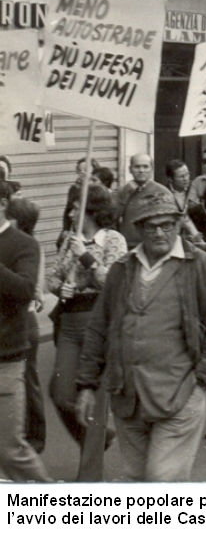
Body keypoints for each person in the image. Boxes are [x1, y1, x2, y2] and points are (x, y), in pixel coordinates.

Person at [74, 189, 206, 481]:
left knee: (162, 481)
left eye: (167, 225)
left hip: (179, 397)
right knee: (136, 480)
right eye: (151, 226)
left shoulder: (204, 268)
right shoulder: (122, 270)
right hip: (128, 398)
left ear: (179, 223)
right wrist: (86, 384)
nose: (160, 232)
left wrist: (203, 381)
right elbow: (99, 327)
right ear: (139, 228)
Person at [47, 185, 127, 458]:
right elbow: (52, 279)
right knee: (61, 394)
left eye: (74, 207)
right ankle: (99, 439)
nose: (69, 212)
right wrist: (61, 289)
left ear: (90, 210)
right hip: (69, 323)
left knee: (93, 396)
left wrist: (85, 255)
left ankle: (90, 462)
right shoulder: (70, 237)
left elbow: (113, 282)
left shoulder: (114, 239)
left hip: (99, 319)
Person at [0, 180, 53, 482]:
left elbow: (24, 290)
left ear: (2, 203)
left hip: (5, 358)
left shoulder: (23, 244)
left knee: (10, 450)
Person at [115, 153, 169, 249]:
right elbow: (112, 217)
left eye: (145, 167)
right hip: (128, 246)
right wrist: (126, 194)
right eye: (137, 167)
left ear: (152, 169)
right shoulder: (123, 191)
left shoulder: (162, 191)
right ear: (130, 169)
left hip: (152, 246)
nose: (141, 170)